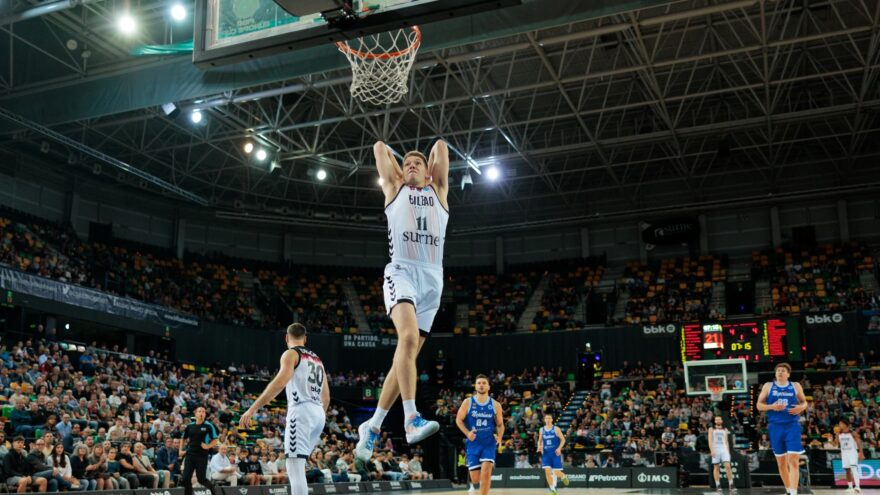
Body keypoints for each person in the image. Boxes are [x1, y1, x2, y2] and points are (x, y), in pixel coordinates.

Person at [355, 139, 450, 460]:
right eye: (407, 162)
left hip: (433, 281)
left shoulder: (439, 192)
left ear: (428, 173)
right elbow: (380, 147)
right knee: (407, 338)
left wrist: (426, 170)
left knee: (405, 356)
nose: (411, 164)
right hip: (402, 272)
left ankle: (373, 425)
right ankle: (411, 418)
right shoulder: (395, 190)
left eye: (417, 163)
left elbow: (440, 147)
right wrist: (402, 172)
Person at [239, 323, 330, 495]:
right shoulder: (318, 360)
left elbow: (279, 383)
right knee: (299, 465)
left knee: (294, 468)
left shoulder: (291, 354)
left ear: (287, 338)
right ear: (305, 338)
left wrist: (252, 408)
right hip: (319, 413)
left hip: (302, 411)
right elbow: (326, 397)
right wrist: (317, 418)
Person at [757, 363, 808, 495]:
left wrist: (801, 407)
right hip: (775, 427)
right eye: (778, 370)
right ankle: (788, 490)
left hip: (792, 425)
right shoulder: (768, 386)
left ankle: (794, 492)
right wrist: (771, 407)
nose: (780, 372)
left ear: (788, 374)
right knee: (781, 463)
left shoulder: (795, 385)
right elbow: (759, 405)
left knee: (793, 461)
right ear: (775, 374)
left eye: (783, 371)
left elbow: (805, 402)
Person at [456, 374, 504, 495]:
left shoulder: (495, 405)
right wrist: (467, 433)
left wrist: (500, 437)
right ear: (475, 386)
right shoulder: (468, 402)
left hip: (488, 442)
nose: (481, 385)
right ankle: (474, 486)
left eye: (484, 383)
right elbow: (458, 420)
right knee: (476, 479)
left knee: (486, 472)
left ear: (489, 386)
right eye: (479, 383)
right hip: (473, 443)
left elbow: (500, 425)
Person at [179, 406, 219, 495]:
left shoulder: (208, 426)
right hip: (190, 455)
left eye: (203, 412)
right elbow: (183, 438)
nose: (201, 413)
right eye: (199, 411)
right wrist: (180, 450)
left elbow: (215, 440)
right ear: (195, 414)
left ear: (205, 414)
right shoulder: (189, 426)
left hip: (202, 455)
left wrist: (208, 446)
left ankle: (214, 491)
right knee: (185, 478)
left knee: (201, 479)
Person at [537, 413, 569, 494]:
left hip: (555, 453)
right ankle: (552, 489)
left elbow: (563, 440)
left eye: (549, 418)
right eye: (546, 418)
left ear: (552, 420)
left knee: (556, 472)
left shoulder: (556, 429)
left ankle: (563, 476)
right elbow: (540, 440)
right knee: (547, 471)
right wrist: (539, 446)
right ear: (544, 420)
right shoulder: (541, 429)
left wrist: (559, 448)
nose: (547, 420)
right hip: (546, 454)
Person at [709, 416, 736, 493]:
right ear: (714, 421)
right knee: (716, 467)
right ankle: (718, 485)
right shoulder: (711, 429)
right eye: (716, 419)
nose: (717, 420)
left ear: (721, 421)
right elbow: (710, 440)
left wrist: (727, 451)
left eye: (719, 419)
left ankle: (731, 484)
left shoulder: (725, 429)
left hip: (724, 449)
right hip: (715, 448)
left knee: (728, 466)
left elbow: (726, 441)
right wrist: (712, 450)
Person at [837, 419, 864, 494]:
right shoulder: (838, 434)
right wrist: (830, 439)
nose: (839, 425)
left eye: (840, 424)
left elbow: (859, 443)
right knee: (847, 470)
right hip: (844, 453)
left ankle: (857, 487)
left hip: (852, 453)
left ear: (845, 424)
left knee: (854, 469)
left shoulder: (853, 433)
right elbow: (835, 444)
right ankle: (850, 487)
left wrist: (861, 453)